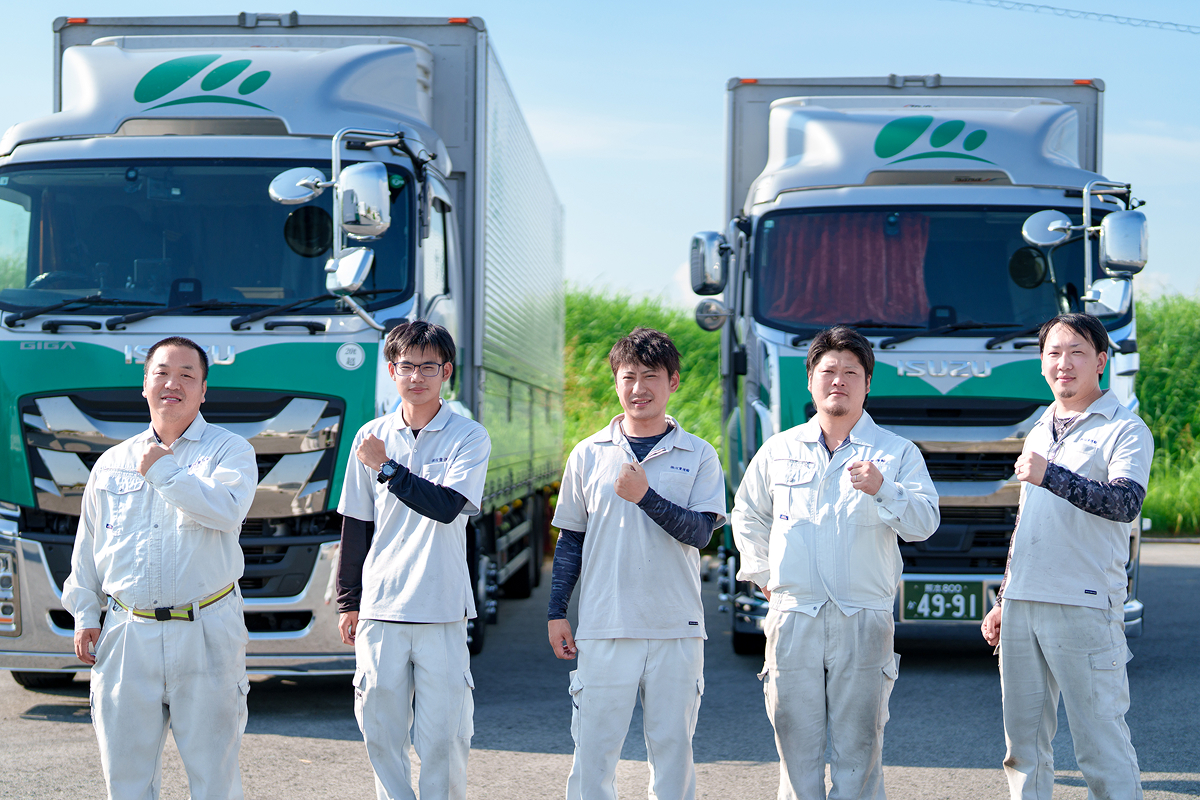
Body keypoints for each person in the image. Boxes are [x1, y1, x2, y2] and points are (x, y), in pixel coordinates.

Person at [731, 325, 939, 800]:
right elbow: (747, 513)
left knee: (859, 751)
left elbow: (924, 523)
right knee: (794, 749)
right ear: (810, 380)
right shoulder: (780, 449)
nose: (838, 381)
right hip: (794, 614)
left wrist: (884, 488)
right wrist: (763, 574)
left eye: (851, 372)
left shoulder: (896, 453)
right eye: (828, 371)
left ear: (868, 384)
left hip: (862, 614)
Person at [62, 336, 258, 800]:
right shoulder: (112, 462)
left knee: (214, 780)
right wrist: (85, 613)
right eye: (162, 373)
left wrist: (163, 471)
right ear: (145, 385)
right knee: (126, 780)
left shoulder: (230, 451)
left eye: (187, 375)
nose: (173, 383)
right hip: (128, 634)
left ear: (204, 391)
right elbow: (89, 545)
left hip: (206, 630)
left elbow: (227, 510)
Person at [548, 327, 726, 800]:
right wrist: (556, 611)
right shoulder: (588, 454)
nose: (638, 388)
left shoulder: (699, 454)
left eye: (651, 376)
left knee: (672, 754)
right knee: (593, 755)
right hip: (605, 626)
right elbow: (571, 539)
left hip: (677, 628)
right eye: (628, 377)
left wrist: (645, 497)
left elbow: (701, 533)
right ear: (616, 382)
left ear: (673, 382)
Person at [981, 313, 1151, 800]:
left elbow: (1125, 503)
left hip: (1084, 602)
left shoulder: (1125, 428)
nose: (1064, 363)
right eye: (1054, 353)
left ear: (1101, 361)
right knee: (1023, 750)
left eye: (1077, 352)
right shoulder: (1040, 426)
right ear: (1041, 364)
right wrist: (1004, 597)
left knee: (1100, 746)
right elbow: (1026, 523)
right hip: (1023, 603)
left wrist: (1050, 475)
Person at [337, 320, 490, 800]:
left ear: (446, 371)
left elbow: (447, 506)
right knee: (380, 732)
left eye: (428, 367)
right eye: (406, 367)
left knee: (444, 736)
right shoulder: (370, 436)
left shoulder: (468, 436)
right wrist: (348, 601)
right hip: (381, 607)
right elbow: (356, 524)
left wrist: (387, 467)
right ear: (391, 371)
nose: (416, 377)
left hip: (441, 606)